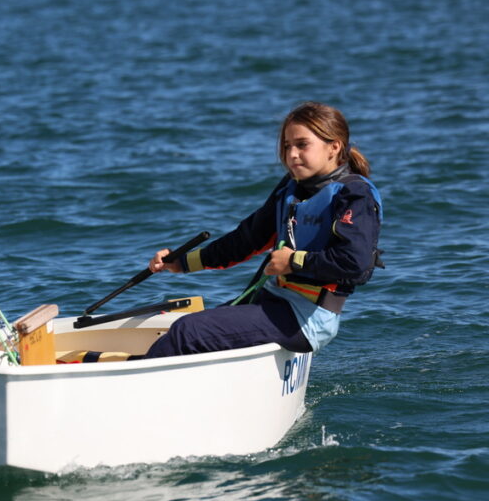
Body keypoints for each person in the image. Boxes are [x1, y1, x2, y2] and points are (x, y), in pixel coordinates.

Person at [139, 101, 382, 359]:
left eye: (302, 145)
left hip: (307, 318)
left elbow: (355, 264)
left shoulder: (355, 195)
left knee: (187, 331)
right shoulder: (291, 187)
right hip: (272, 300)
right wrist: (181, 262)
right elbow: (245, 240)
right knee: (188, 327)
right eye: (287, 146)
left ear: (334, 147)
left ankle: (137, 389)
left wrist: (294, 261)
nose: (292, 155)